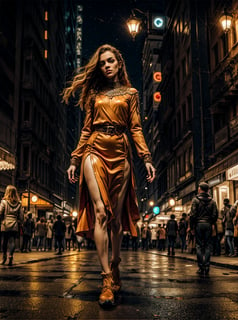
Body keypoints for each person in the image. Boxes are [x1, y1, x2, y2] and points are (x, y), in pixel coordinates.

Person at [63, 44, 156, 306]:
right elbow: (85, 129)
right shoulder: (93, 95)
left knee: (115, 219)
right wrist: (74, 158)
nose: (106, 65)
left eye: (111, 61)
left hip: (122, 152)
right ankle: (105, 280)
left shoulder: (131, 93)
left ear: (119, 63)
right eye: (102, 62)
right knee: (101, 212)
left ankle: (115, 264)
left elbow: (136, 128)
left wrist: (146, 157)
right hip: (94, 149)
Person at [190, 182, 218, 276]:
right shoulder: (212, 201)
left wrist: (192, 226)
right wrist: (212, 223)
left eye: (198, 188)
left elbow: (193, 214)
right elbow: (215, 215)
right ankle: (207, 266)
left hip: (198, 224)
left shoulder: (195, 200)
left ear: (200, 189)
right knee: (207, 245)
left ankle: (201, 266)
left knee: (199, 245)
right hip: (208, 224)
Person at [0, 185, 24, 266]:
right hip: (14, 224)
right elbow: (22, 216)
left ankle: (4, 257)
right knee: (12, 241)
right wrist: (20, 222)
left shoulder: (4, 202)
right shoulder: (19, 204)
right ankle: (11, 256)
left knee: (4, 241)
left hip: (5, 223)